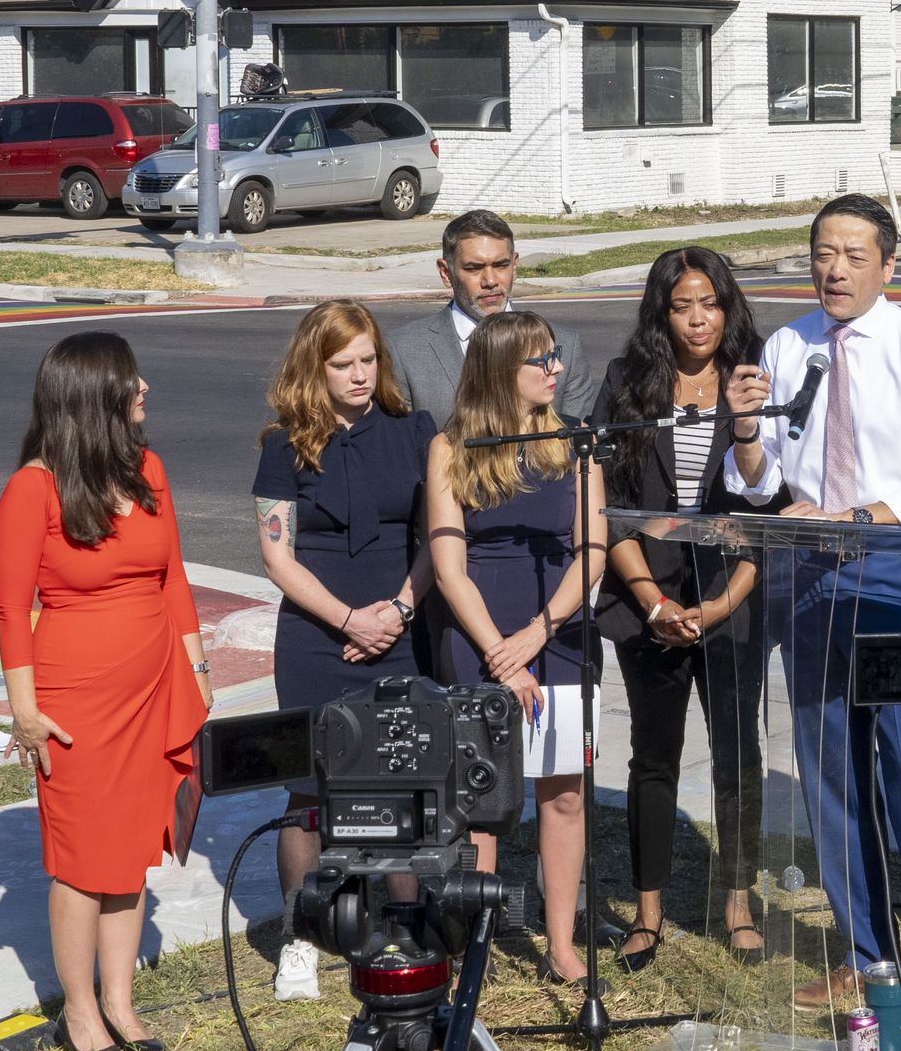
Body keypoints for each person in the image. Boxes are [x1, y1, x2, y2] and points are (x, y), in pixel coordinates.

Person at [724, 193, 901, 1009]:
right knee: (831, 775)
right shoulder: (787, 346)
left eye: (853, 255)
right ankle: (866, 955)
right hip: (807, 578)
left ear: (887, 265)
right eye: (822, 253)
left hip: (894, 575)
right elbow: (757, 484)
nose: (833, 269)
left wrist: (856, 516)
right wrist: (748, 434)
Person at [0, 332, 212, 1051]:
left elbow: (172, 578)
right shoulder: (34, 487)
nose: (143, 385)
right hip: (74, 704)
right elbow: (10, 609)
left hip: (153, 689)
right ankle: (79, 1009)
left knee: (131, 851)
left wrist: (197, 668)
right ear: (93, 397)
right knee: (83, 857)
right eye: (129, 378)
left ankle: (120, 1000)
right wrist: (25, 713)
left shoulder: (148, 468)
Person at [591, 248, 769, 972]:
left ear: (728, 307)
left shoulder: (754, 378)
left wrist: (724, 601)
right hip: (649, 604)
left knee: (737, 753)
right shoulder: (628, 382)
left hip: (735, 598)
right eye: (682, 304)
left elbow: (769, 505)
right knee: (653, 756)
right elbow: (613, 506)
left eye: (710, 302)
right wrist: (652, 599)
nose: (698, 318)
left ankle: (738, 902)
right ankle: (648, 910)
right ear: (660, 311)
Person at [253, 299, 436, 1002]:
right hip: (316, 636)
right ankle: (301, 936)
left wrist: (395, 610)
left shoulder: (416, 431)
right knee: (310, 788)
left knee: (402, 780)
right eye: (342, 364)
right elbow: (277, 553)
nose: (360, 374)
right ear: (314, 366)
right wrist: (347, 619)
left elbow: (435, 538)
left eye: (368, 360)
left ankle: (406, 924)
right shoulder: (284, 442)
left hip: (398, 629)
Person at [426, 311, 607, 987]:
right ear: (503, 369)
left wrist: (537, 632)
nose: (555, 368)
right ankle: (476, 941)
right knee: (483, 799)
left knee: (563, 792)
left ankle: (559, 943)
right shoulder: (452, 446)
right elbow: (449, 564)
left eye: (555, 355)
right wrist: (500, 651)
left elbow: (592, 552)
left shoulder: (577, 441)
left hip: (556, 631)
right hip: (479, 632)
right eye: (540, 360)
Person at [387, 210, 598, 424]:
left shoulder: (565, 346)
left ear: (515, 265)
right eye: (474, 268)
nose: (490, 281)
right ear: (446, 272)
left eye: (501, 265)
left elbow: (576, 445)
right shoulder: (404, 351)